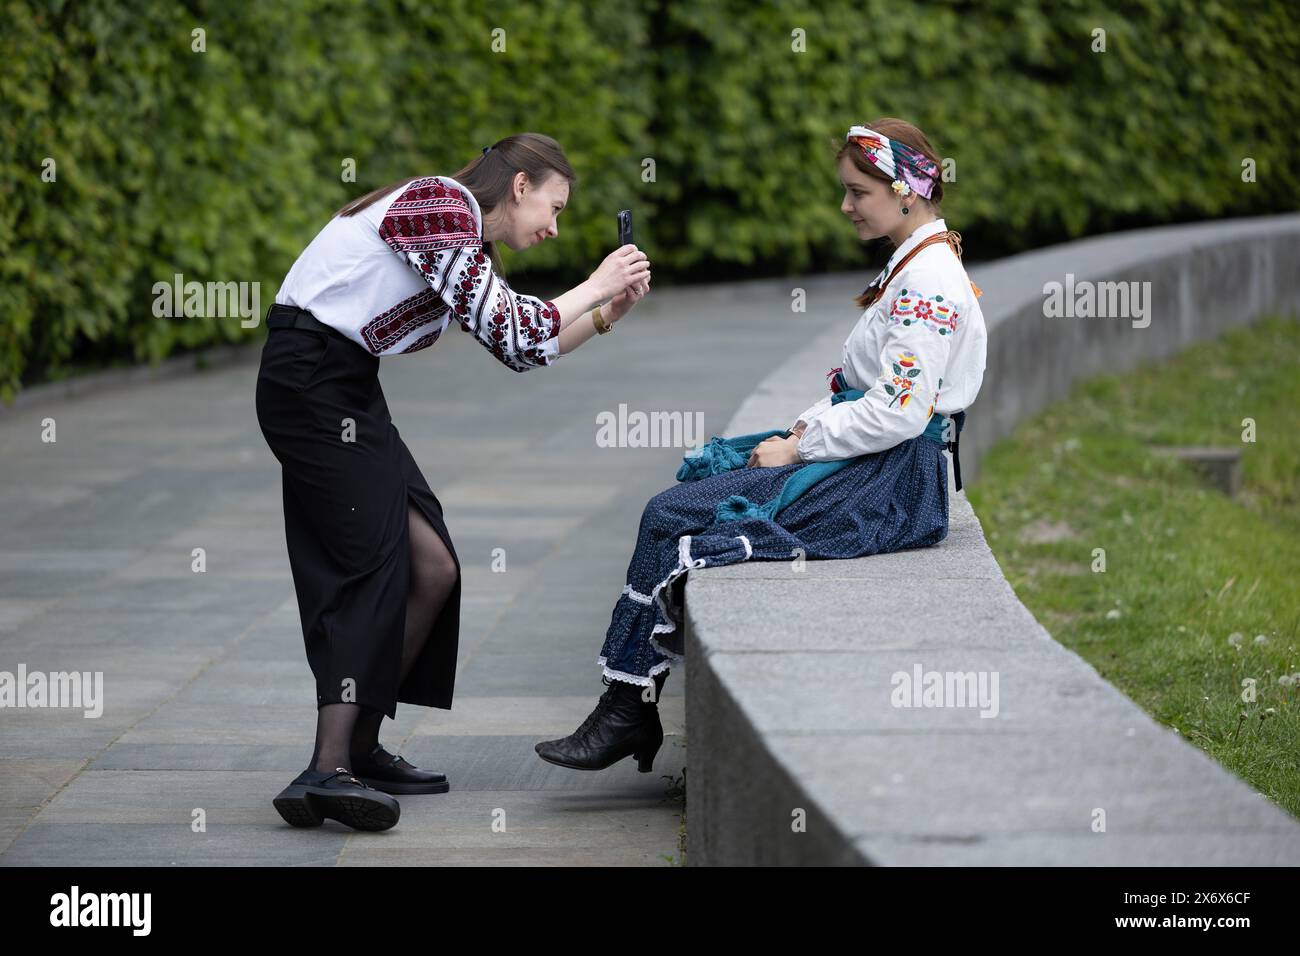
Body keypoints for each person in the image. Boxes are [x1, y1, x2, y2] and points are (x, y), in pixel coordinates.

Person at [534, 117, 987, 774]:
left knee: (673, 514)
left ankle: (627, 710)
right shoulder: (919, 261)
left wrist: (800, 448)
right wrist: (801, 432)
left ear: (906, 192)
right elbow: (873, 396)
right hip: (878, 462)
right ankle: (629, 705)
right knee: (698, 484)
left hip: (892, 483)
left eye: (858, 191)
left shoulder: (929, 282)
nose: (846, 205)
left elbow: (899, 411)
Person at [256, 133, 651, 830]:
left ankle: (362, 745)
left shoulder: (464, 240)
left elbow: (521, 347)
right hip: (311, 379)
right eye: (553, 207)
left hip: (341, 384)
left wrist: (603, 315)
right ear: (521, 185)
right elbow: (508, 325)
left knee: (431, 565)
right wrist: (596, 282)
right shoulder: (444, 205)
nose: (554, 227)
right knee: (373, 565)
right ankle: (325, 767)